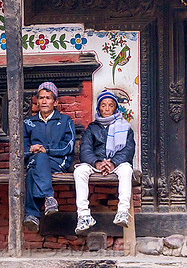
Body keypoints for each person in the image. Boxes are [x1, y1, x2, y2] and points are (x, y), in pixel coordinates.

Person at [74, 90, 135, 234]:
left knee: (127, 170)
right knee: (79, 171)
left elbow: (128, 150)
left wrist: (112, 163)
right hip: (96, 164)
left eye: (110, 105)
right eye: (103, 105)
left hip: (116, 164)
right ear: (99, 108)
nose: (107, 108)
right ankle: (84, 215)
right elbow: (86, 150)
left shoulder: (125, 127)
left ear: (115, 108)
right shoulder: (92, 128)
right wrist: (97, 163)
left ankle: (122, 211)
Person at [23, 82, 76, 232]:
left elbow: (68, 146)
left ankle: (32, 214)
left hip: (57, 162)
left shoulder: (65, 121)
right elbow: (22, 148)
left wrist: (47, 150)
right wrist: (33, 150)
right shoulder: (28, 122)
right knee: (38, 161)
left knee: (33, 172)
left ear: (55, 101)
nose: (44, 101)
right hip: (35, 160)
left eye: (48, 98)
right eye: (41, 98)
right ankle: (49, 199)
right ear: (37, 101)